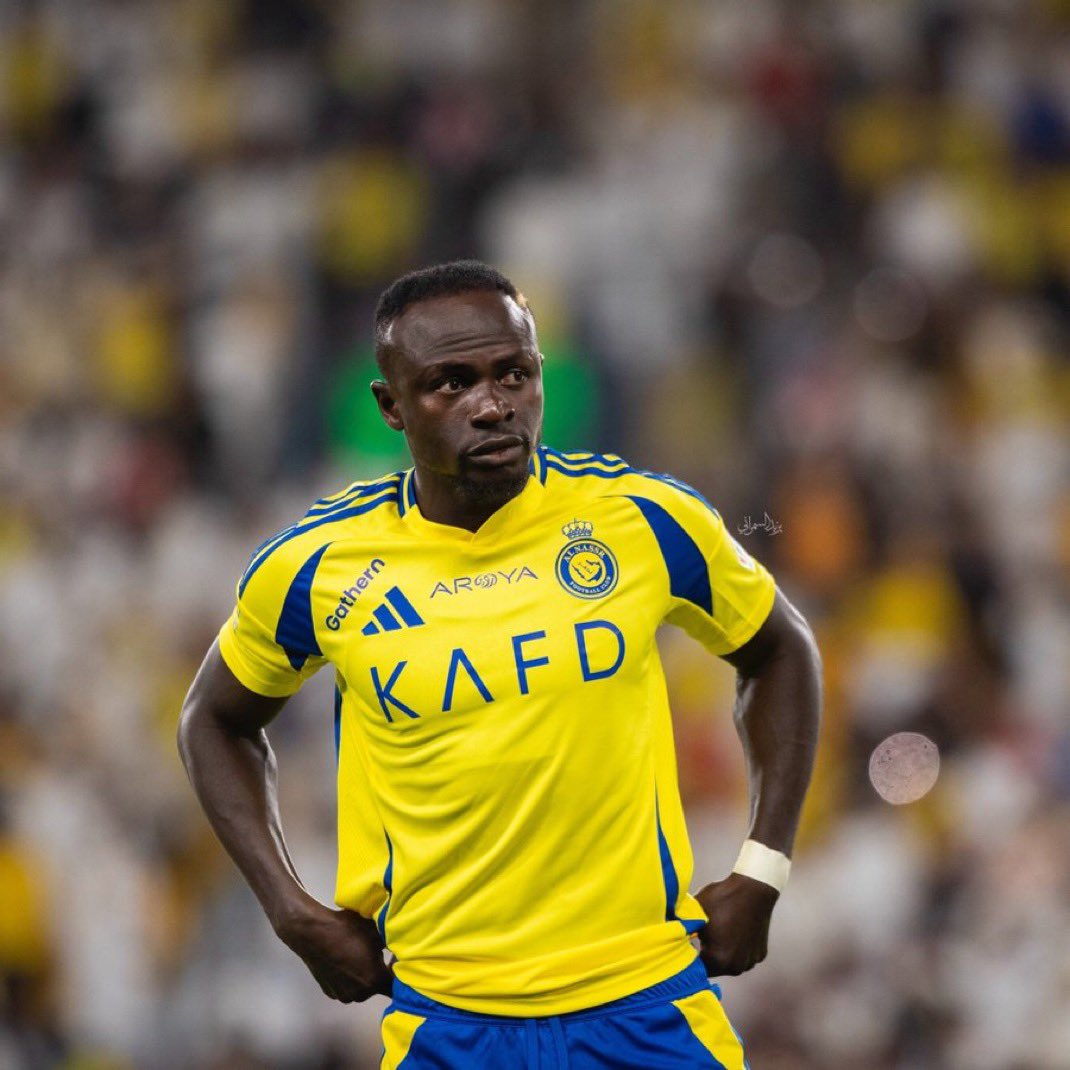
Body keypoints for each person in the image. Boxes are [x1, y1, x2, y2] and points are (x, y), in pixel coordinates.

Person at [178, 260, 822, 1068]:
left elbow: (779, 647)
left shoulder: (642, 519)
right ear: (390, 406)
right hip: (449, 1024)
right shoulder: (317, 567)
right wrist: (290, 910)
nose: (492, 405)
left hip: (649, 1007)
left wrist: (763, 866)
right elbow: (213, 720)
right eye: (450, 384)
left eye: (513, 373)